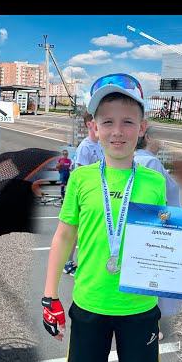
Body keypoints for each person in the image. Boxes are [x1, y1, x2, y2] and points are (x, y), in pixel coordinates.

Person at [41, 73, 182, 362]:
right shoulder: (81, 178)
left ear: (142, 128)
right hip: (90, 302)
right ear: (94, 128)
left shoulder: (155, 181)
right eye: (107, 122)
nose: (117, 131)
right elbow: (64, 237)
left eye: (128, 122)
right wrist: (49, 296)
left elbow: (167, 234)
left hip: (140, 307)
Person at [134, 127, 182, 332]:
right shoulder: (151, 162)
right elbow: (159, 199)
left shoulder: (135, 159)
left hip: (139, 224)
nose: (162, 143)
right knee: (156, 275)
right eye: (160, 138)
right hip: (160, 226)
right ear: (147, 137)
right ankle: (151, 323)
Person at [63, 112, 105, 275]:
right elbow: (81, 175)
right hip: (83, 194)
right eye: (97, 121)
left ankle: (88, 262)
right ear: (89, 125)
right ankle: (67, 262)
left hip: (97, 192)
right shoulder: (85, 147)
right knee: (75, 231)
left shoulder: (100, 145)